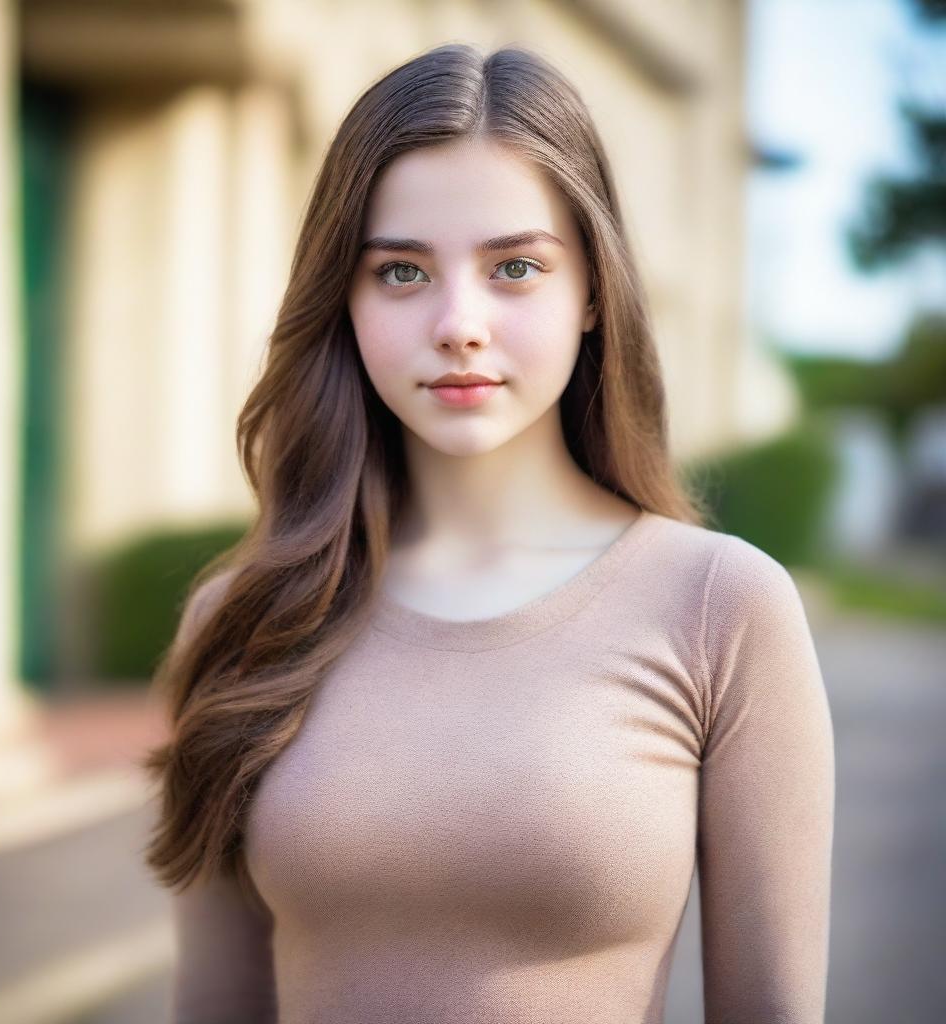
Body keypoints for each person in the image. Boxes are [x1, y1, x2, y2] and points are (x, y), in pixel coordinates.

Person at [143, 42, 835, 1024]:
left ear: (593, 290)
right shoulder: (241, 618)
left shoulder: (722, 607)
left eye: (514, 266)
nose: (459, 322)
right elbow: (216, 1004)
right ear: (343, 297)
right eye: (400, 272)